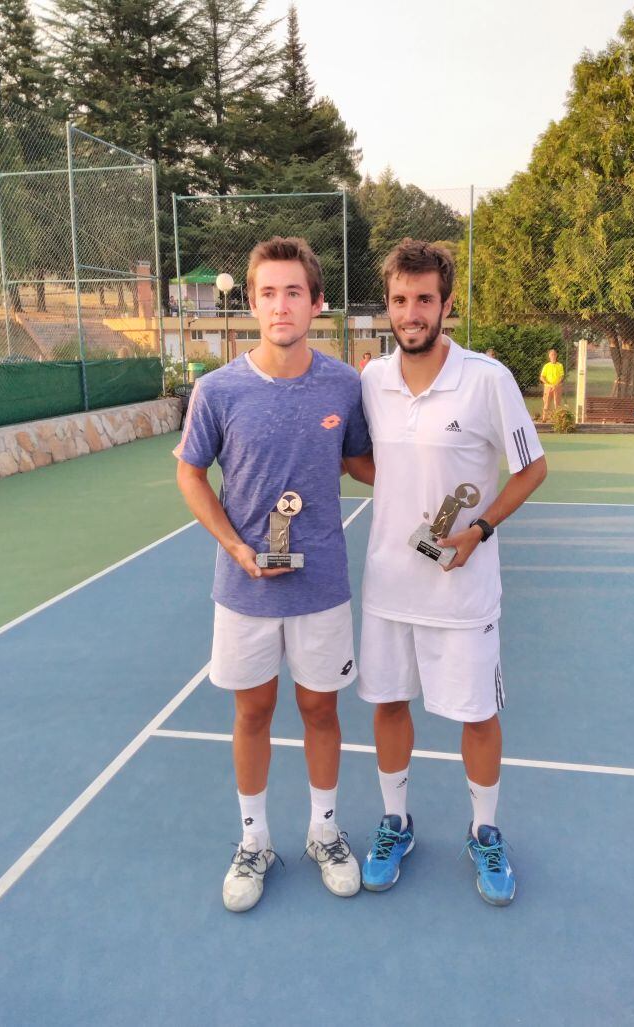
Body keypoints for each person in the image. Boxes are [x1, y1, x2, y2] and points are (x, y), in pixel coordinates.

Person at [175, 236, 372, 912]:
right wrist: (233, 546)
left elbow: (364, 463)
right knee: (252, 709)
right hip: (245, 588)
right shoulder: (218, 389)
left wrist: (443, 464)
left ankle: (324, 829)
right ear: (251, 302)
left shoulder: (345, 385)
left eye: (294, 292)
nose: (281, 304)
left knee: (321, 707)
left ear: (317, 302)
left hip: (321, 587)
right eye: (268, 292)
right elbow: (189, 471)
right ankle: (254, 838)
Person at [349, 239, 547, 906]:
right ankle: (396, 821)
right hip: (388, 588)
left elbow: (532, 467)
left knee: (478, 713)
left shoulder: (487, 379)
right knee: (388, 704)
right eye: (400, 300)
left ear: (447, 304)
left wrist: (479, 530)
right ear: (388, 305)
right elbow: (362, 460)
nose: (412, 312)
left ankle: (485, 829)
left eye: (424, 299)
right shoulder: (371, 381)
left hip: (462, 590)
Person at [539, 348, 565, 419]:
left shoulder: (560, 365)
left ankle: (557, 419)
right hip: (548, 387)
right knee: (546, 403)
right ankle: (544, 418)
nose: (553, 356)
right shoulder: (546, 366)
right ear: (549, 356)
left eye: (554, 354)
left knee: (557, 403)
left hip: (557, 387)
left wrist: (556, 384)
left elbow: (561, 376)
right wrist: (549, 384)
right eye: (551, 354)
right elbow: (542, 377)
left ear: (556, 356)